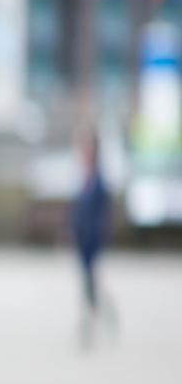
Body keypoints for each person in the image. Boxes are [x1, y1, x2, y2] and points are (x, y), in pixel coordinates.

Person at [71, 128, 119, 349]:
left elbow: (103, 213)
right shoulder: (85, 177)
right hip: (82, 239)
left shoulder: (98, 180)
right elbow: (78, 211)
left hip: (93, 239)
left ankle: (90, 323)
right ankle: (103, 315)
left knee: (89, 283)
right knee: (90, 284)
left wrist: (99, 234)